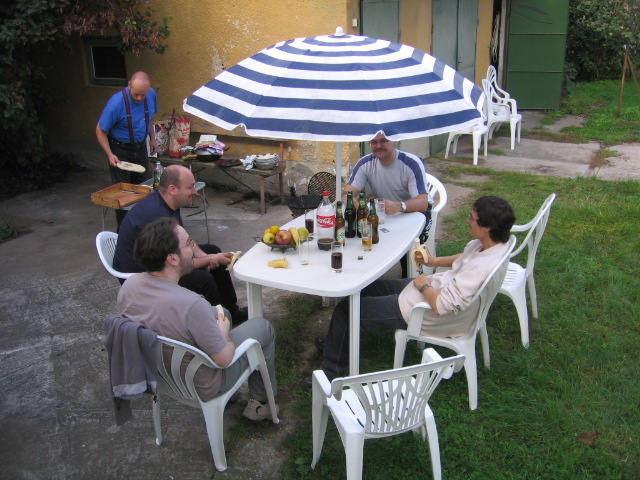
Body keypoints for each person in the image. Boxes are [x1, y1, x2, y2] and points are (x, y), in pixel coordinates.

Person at [303, 196, 515, 388]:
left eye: (472, 218)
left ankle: (331, 376)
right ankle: (338, 343)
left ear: (487, 227)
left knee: (346, 311)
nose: (468, 220)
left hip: (422, 311)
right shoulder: (493, 245)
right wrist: (434, 261)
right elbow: (465, 257)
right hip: (430, 289)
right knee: (367, 288)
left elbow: (442, 306)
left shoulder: (480, 269)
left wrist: (423, 285)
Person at [117, 217, 278, 422]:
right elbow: (224, 359)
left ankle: (233, 395)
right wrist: (223, 334)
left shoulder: (129, 287)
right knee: (262, 327)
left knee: (222, 313)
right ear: (172, 259)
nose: (193, 248)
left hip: (162, 374)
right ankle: (262, 405)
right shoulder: (192, 304)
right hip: (203, 382)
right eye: (189, 244)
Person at [113, 164, 248, 323]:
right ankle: (215, 323)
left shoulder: (169, 202)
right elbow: (176, 262)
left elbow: (186, 241)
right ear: (173, 189)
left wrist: (208, 257)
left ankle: (231, 311)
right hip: (142, 273)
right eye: (190, 187)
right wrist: (210, 259)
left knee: (213, 250)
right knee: (203, 279)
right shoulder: (158, 216)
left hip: (164, 259)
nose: (195, 191)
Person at [343, 132, 430, 277]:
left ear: (394, 142)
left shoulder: (411, 163)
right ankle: (363, 276)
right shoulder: (365, 163)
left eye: (383, 141)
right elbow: (347, 193)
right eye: (373, 142)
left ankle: (411, 279)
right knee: (359, 234)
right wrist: (354, 203)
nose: (378, 146)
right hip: (384, 214)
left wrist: (400, 206)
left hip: (414, 213)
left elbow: (423, 203)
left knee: (406, 246)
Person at [96, 71, 158, 230]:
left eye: (143, 94)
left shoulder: (151, 94)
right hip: (120, 149)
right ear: (129, 85)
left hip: (140, 147)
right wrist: (110, 155)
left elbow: (150, 117)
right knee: (124, 193)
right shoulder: (116, 103)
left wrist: (152, 138)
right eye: (136, 94)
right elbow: (100, 130)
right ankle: (124, 231)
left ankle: (144, 229)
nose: (140, 98)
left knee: (144, 189)